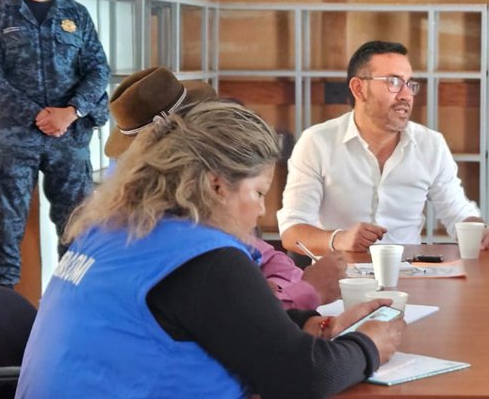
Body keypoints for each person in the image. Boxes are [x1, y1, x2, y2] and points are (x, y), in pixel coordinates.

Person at [17, 101, 405, 398]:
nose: (262, 210)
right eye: (257, 193)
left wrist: (306, 323)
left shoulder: (110, 230)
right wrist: (371, 344)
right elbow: (306, 377)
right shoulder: (202, 259)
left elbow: (217, 316)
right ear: (216, 186)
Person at [104, 66, 345, 310]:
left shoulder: (196, 200)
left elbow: (266, 256)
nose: (261, 209)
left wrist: (273, 288)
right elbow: (233, 320)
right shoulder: (163, 228)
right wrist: (299, 293)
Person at [0, 0, 110, 287]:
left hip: (68, 137)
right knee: (6, 226)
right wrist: (38, 116)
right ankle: (1, 322)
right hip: (15, 139)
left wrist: (71, 112)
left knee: (77, 229)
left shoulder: (75, 14)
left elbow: (98, 70)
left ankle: (72, 308)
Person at [277, 40, 489, 254]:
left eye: (409, 83)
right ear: (359, 88)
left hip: (409, 277)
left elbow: (457, 213)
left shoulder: (430, 145)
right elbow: (291, 231)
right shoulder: (317, 142)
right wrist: (339, 239)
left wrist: (477, 230)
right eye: (393, 82)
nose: (406, 94)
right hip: (340, 278)